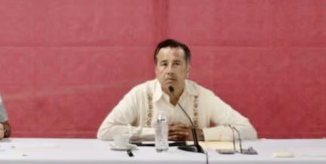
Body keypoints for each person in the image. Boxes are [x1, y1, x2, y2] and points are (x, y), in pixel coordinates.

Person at [97, 39, 257, 142]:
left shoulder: (203, 95)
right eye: (164, 64)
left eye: (176, 64)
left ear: (187, 70)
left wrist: (200, 134)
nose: (169, 71)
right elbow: (105, 131)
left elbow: (248, 130)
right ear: (156, 70)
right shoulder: (139, 94)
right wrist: (158, 133)